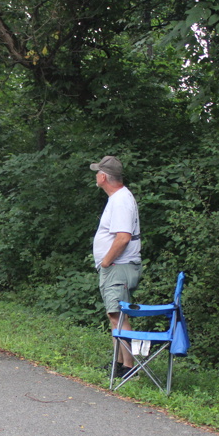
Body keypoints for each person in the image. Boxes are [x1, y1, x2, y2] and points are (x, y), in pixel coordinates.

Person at [90, 156, 142, 378]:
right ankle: (118, 364)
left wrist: (106, 261)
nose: (95, 176)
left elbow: (123, 237)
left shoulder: (120, 200)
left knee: (118, 316)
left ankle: (129, 368)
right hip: (117, 267)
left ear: (103, 177)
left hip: (118, 267)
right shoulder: (118, 198)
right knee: (115, 316)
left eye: (97, 172)